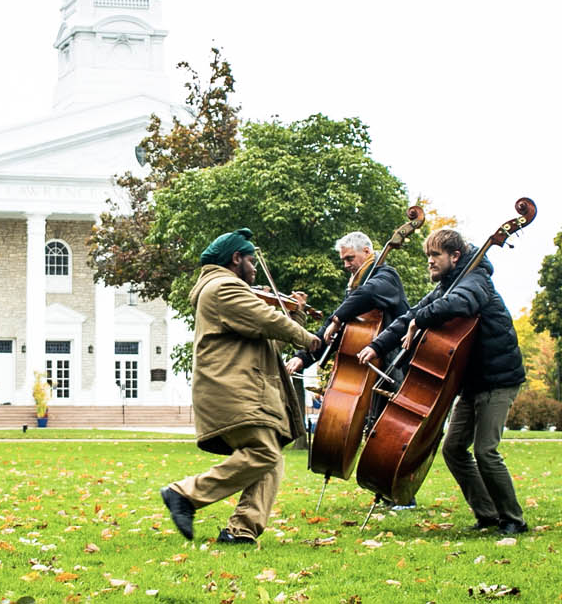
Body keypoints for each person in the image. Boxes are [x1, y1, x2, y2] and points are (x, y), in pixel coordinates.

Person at [358, 228, 527, 535]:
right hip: (471, 382)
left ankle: (513, 519)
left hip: (498, 379)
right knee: (453, 449)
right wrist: (377, 345)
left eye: (435, 256)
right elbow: (409, 314)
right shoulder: (449, 285)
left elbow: (459, 305)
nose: (430, 263)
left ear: (455, 256)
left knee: (486, 451)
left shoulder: (476, 282)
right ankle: (487, 514)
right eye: (428, 257)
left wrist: (419, 321)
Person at [159, 229, 322, 546]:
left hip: (242, 386)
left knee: (271, 458)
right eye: (251, 260)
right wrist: (307, 337)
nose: (255, 268)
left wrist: (295, 314)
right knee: (263, 452)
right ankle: (183, 494)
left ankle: (241, 530)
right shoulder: (223, 288)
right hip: (232, 388)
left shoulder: (230, 291)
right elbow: (267, 319)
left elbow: (266, 333)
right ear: (236, 259)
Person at [284, 231, 410, 378]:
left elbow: (367, 294)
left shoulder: (388, 277)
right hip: (365, 372)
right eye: (343, 260)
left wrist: (338, 319)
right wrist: (302, 357)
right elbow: (331, 332)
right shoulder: (355, 288)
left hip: (393, 369)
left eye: (350, 258)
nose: (346, 265)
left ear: (367, 251)